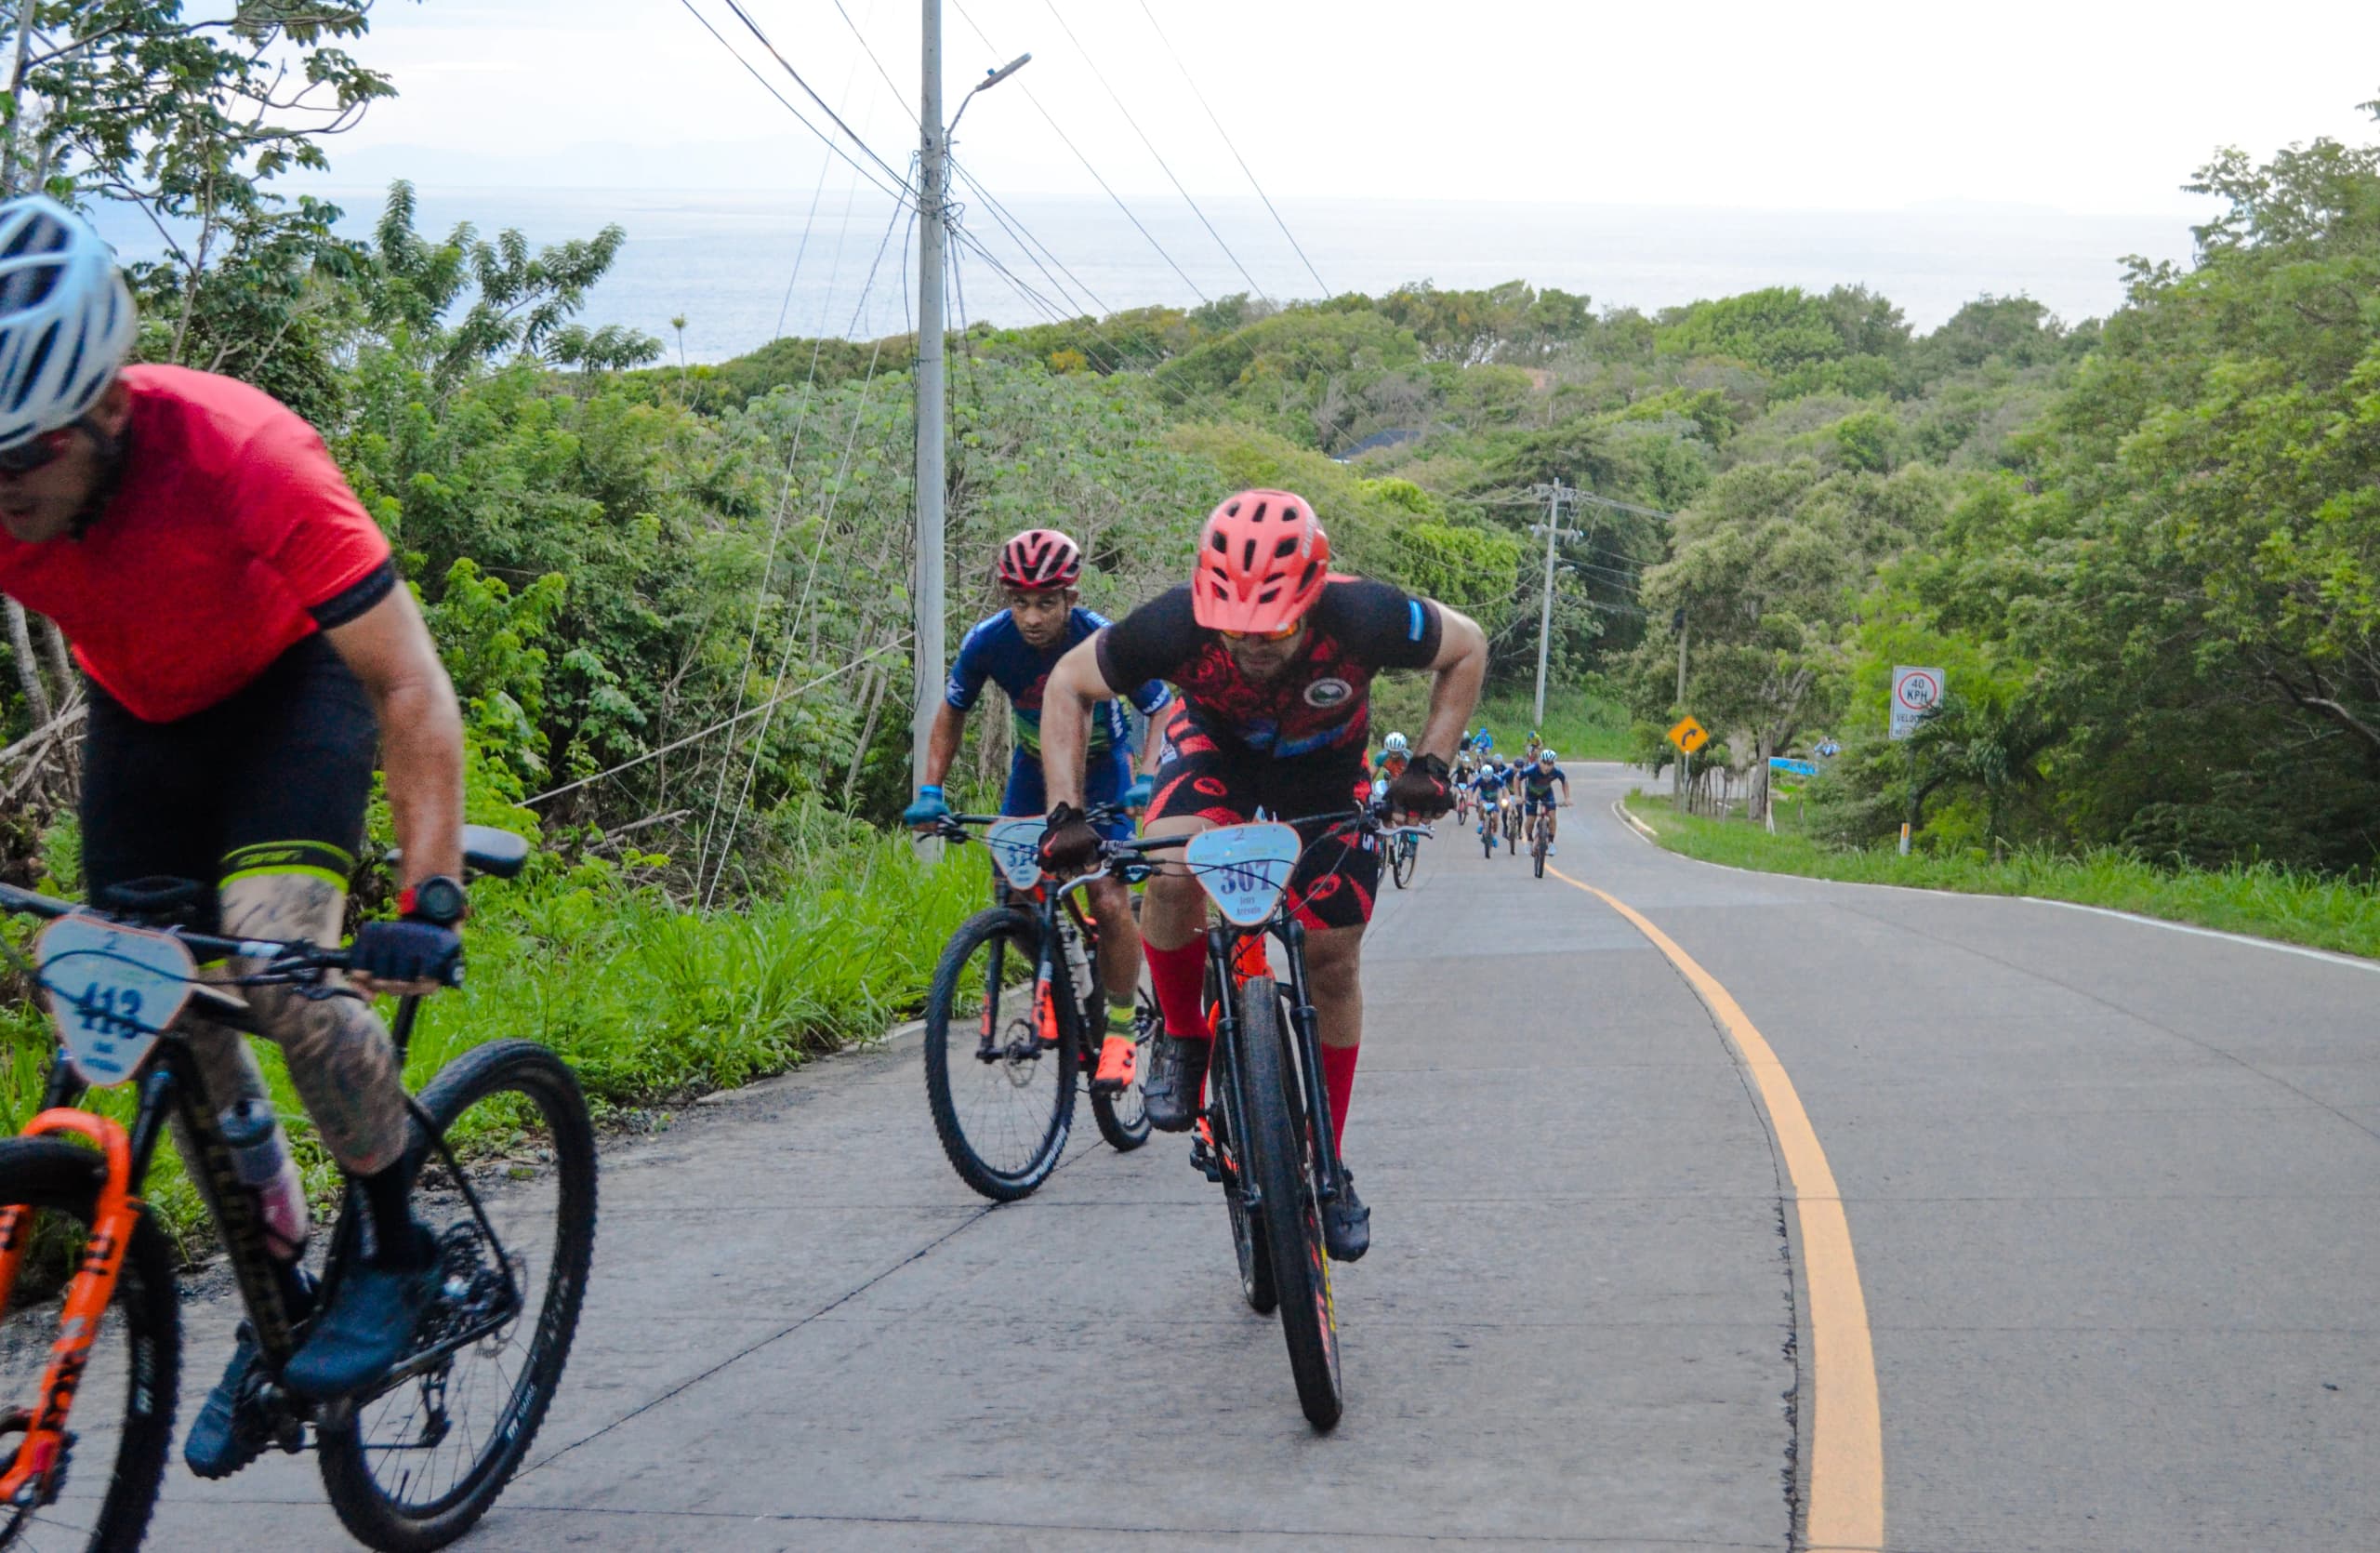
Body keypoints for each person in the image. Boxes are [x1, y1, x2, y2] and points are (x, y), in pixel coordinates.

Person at [0, 195, 469, 1472]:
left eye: (16, 461)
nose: (2, 494)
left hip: (287, 694)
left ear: (102, 412)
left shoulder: (239, 450)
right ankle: (279, 1291)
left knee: (268, 966)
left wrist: (430, 899)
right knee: (141, 1000)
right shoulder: (16, 474)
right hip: (143, 711)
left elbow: (411, 685)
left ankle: (396, 1242)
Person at [1036, 489, 1486, 1262]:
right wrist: (1065, 811)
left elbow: (1467, 647)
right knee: (1172, 875)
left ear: (1312, 596)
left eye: (1273, 626)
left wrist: (1433, 765)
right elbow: (1067, 685)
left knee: (1331, 958)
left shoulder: (1365, 616)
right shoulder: (1172, 625)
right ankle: (1183, 1040)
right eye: (1233, 625)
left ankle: (1328, 1163)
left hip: (1327, 774)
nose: (1251, 645)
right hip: (1214, 758)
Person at [903, 527, 1170, 1090]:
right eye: (1019, 603)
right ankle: (1061, 966)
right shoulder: (988, 642)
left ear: (1071, 598)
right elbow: (952, 713)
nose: (1031, 618)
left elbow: (1163, 707)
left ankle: (1120, 1030)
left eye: (1046, 603)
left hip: (1102, 774)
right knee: (1012, 880)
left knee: (1108, 896)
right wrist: (931, 790)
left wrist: (1146, 779)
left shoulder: (1103, 639)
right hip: (1033, 769)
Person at [1518, 747, 1570, 854]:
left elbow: (1564, 781)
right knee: (1530, 820)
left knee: (1552, 816)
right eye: (1544, 763)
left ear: (1553, 764)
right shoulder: (1532, 769)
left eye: (1550, 764)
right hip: (1531, 794)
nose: (1546, 767)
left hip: (1546, 793)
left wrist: (1567, 798)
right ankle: (1529, 840)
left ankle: (1550, 842)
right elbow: (1517, 778)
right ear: (1540, 761)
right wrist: (1519, 796)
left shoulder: (1557, 771)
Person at [1471, 752, 1513, 849]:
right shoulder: (1479, 779)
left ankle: (1493, 836)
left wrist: (1506, 799)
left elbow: (1504, 789)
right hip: (1484, 797)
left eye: (1488, 778)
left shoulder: (1497, 779)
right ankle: (1481, 823)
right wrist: (1471, 799)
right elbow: (1473, 791)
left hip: (1494, 798)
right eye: (1485, 778)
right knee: (1481, 806)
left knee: (1496, 819)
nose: (1486, 780)